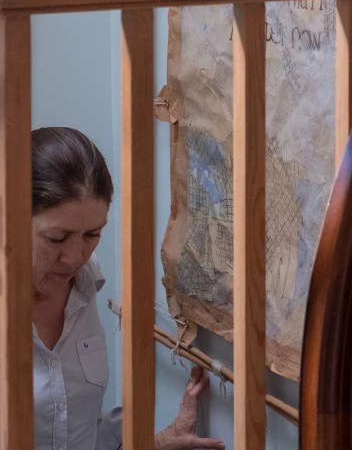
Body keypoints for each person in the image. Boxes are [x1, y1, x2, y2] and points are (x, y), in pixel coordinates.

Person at [31, 126, 224, 450]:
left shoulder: (84, 286)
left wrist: (159, 441)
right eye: (56, 238)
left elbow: (79, 435)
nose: (76, 257)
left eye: (93, 235)